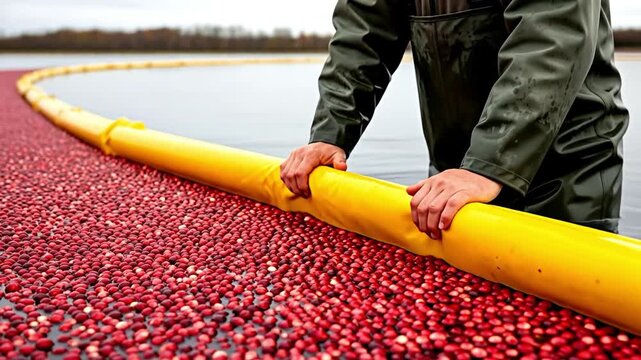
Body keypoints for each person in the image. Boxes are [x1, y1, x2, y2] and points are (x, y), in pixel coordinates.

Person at [280, 0, 629, 239]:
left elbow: (551, 39)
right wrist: (330, 134)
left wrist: (490, 165)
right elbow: (362, 37)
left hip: (564, 172)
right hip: (458, 173)